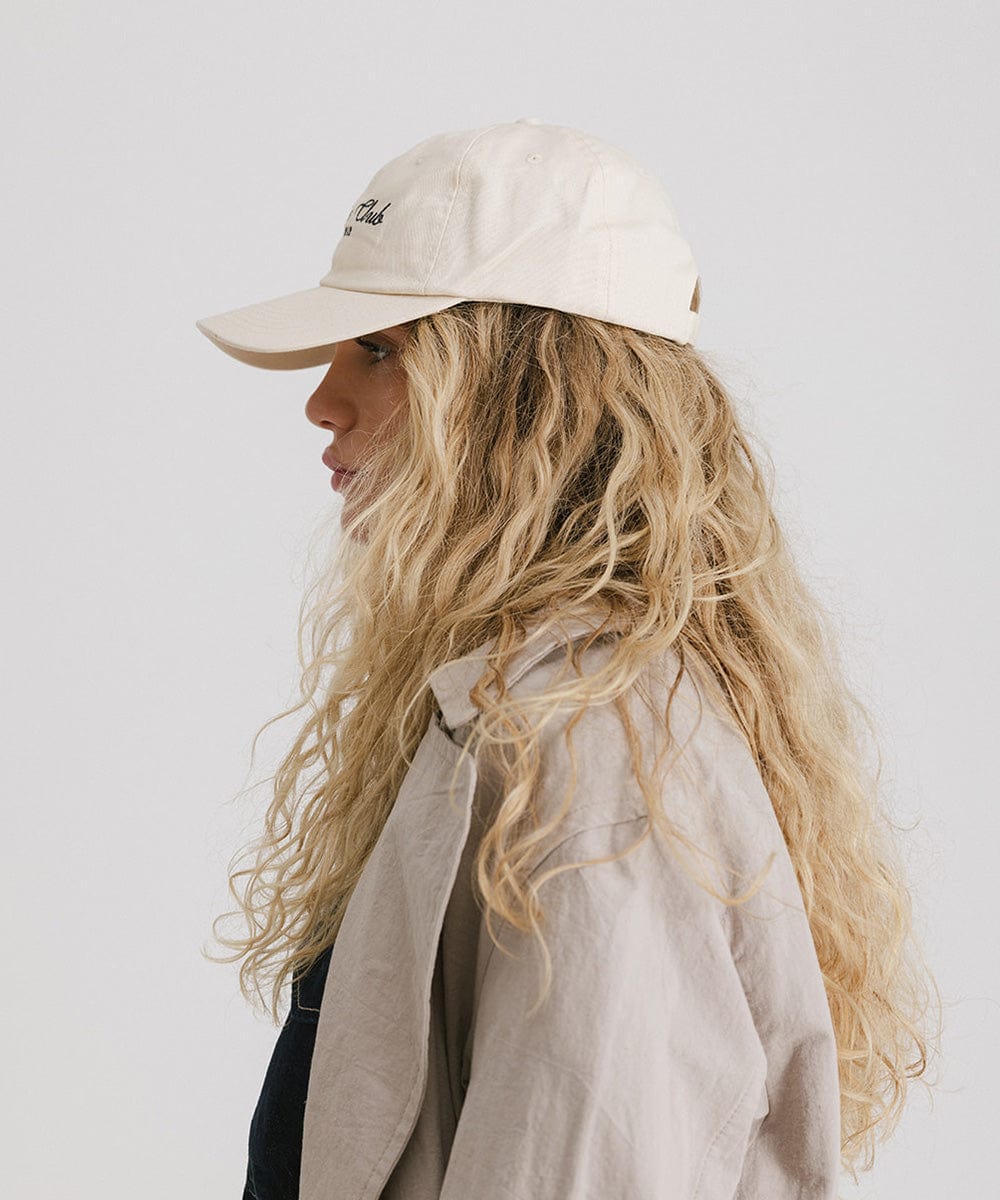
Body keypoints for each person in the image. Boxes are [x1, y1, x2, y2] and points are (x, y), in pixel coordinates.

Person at [195, 118, 941, 1200]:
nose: (322, 400)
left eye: (381, 348)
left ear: (527, 394)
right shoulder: (531, 717)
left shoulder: (592, 763)